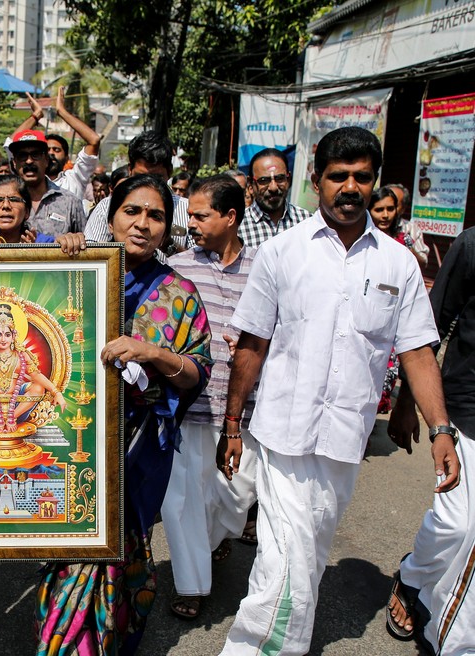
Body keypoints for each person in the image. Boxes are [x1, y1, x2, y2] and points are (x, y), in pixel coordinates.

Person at [217, 126, 459, 656]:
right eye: (338, 176)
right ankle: (255, 648)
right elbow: (252, 344)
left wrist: (440, 428)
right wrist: (232, 424)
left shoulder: (398, 264)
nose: (350, 187)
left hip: (345, 438)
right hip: (282, 433)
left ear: (373, 183)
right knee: (286, 556)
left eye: (361, 177)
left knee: (305, 551)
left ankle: (278, 642)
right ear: (317, 180)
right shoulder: (282, 253)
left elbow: (417, 351)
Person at [35, 174, 213, 655]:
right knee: (70, 558)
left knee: (121, 551)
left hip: (136, 453)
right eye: (131, 211)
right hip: (69, 447)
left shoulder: (179, 294)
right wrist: (61, 252)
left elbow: (196, 372)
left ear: (166, 227)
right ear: (110, 217)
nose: (142, 223)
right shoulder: (73, 270)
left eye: (155, 215)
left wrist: (153, 352)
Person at [161, 175, 258, 620]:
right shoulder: (178, 267)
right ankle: (191, 584)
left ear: (230, 217)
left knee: (236, 499)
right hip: (189, 406)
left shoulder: (262, 271)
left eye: (201, 215)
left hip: (245, 411)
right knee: (182, 499)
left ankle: (215, 541)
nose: (192, 224)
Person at [386, 226, 475, 655]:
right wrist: (407, 401)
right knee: (457, 525)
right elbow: (428, 329)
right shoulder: (472, 244)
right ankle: (413, 577)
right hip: (465, 413)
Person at [83, 131, 194, 255]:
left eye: (156, 178)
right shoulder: (106, 207)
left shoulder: (189, 210)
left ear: (169, 172)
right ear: (130, 170)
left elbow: (199, 267)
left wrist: (169, 245)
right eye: (130, 212)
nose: (142, 225)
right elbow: (92, 257)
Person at [0, 302, 67, 432]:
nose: (3, 339)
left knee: (38, 387)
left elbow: (36, 375)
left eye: (7, 335)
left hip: (18, 407)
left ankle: (11, 417)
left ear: (13, 336)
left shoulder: (22, 355)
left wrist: (56, 392)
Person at [17, 87, 102, 200]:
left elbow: (94, 141)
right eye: (47, 150)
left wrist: (62, 112)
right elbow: (10, 143)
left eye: (56, 150)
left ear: (67, 158)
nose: (51, 153)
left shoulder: (75, 178)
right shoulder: (28, 178)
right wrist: (36, 116)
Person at [7, 129, 87, 237]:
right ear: (14, 163)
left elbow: (87, 246)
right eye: (22, 155)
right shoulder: (2, 202)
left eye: (35, 154)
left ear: (46, 160)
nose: (29, 161)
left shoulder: (70, 202)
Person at [236, 148, 311, 249]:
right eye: (264, 180)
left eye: (280, 178)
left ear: (288, 179)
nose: (273, 187)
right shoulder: (237, 226)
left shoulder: (306, 221)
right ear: (250, 184)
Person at [374, 184, 429, 267]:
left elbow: (423, 263)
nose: (385, 214)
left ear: (403, 209)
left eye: (391, 208)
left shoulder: (411, 230)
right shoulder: (364, 229)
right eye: (379, 209)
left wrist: (408, 248)